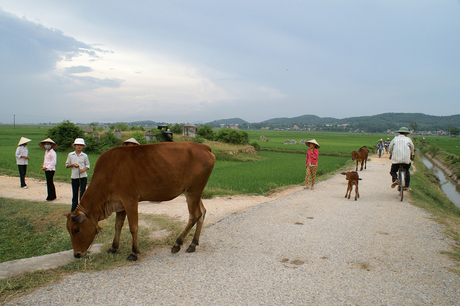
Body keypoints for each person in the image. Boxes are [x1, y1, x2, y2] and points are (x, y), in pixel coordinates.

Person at [66, 138, 90, 211]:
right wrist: (73, 164)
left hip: (83, 177)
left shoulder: (84, 155)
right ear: (75, 146)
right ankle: (74, 209)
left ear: (82, 146)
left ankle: (83, 209)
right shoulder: (70, 155)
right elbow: (67, 165)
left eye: (81, 145)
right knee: (75, 193)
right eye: (77, 145)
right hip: (74, 177)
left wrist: (83, 170)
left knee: (83, 194)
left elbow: (88, 165)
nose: (79, 146)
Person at [389, 127, 415, 191]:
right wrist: (412, 156)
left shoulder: (395, 139)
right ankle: (406, 186)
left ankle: (396, 179)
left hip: (396, 160)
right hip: (406, 160)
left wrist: (390, 154)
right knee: (407, 171)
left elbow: (390, 148)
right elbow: (412, 149)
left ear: (399, 133)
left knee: (393, 171)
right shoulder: (408, 139)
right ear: (406, 133)